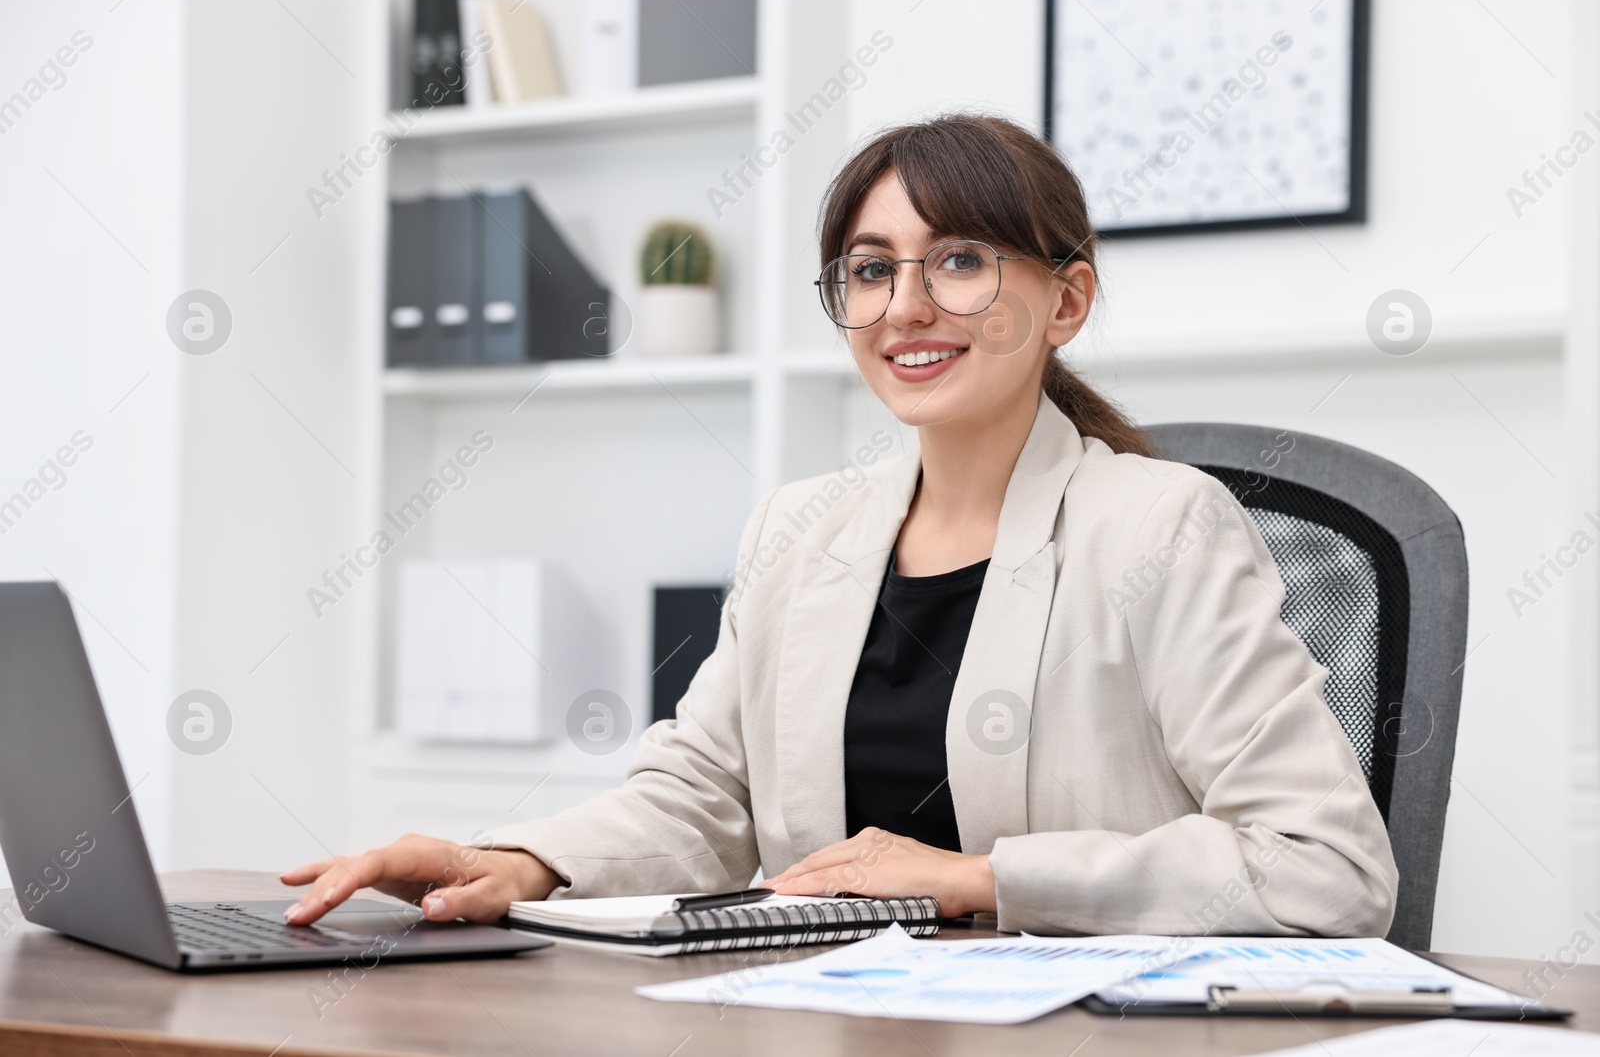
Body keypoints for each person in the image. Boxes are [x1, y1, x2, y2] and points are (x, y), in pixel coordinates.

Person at [283, 114, 1398, 937]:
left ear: (1065, 302)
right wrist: (516, 858)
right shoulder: (797, 528)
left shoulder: (1161, 526)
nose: (903, 306)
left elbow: (1325, 868)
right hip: (819, 1016)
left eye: (959, 259)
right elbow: (701, 796)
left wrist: (982, 875)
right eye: (869, 271)